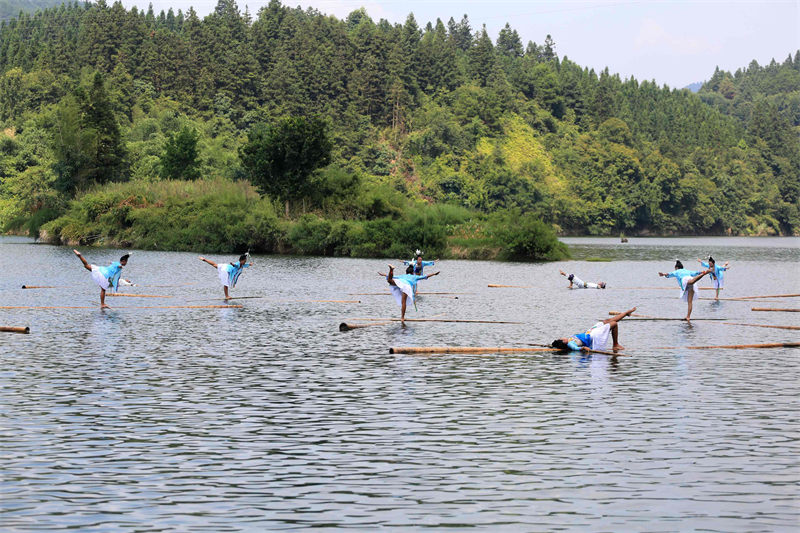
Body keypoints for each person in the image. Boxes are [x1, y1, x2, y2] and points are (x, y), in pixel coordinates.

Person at [552, 307, 637, 352]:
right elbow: (575, 348)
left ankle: (626, 313)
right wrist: (583, 348)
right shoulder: (570, 344)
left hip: (590, 332)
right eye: (561, 338)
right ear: (563, 341)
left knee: (606, 321)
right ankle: (615, 344)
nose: (562, 337)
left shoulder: (570, 340)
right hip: (593, 335)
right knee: (614, 324)